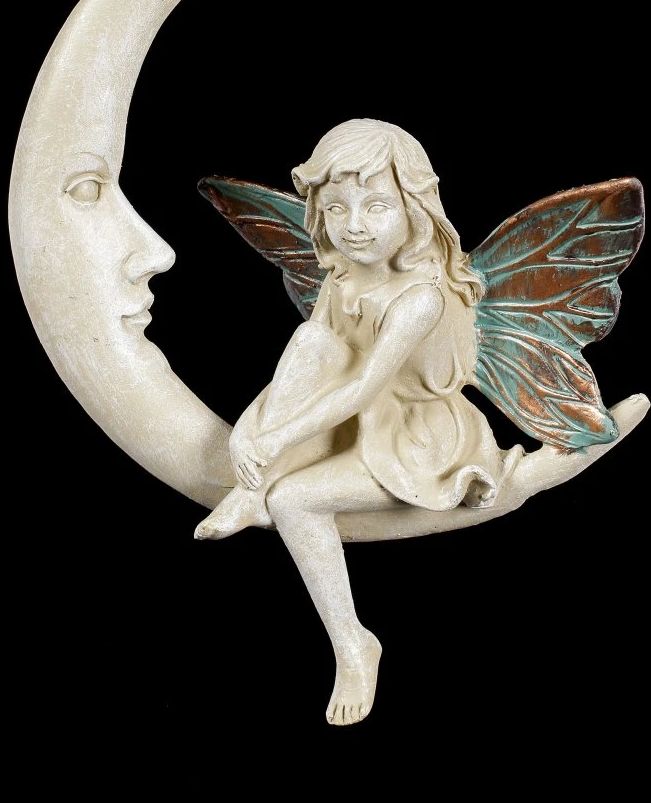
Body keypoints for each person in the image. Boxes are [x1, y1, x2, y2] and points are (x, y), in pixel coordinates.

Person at [195, 119, 523, 725]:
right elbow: (303, 370)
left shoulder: (420, 298)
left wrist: (273, 439)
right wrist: (248, 431)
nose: (354, 226)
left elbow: (361, 389)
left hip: (416, 436)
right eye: (336, 208)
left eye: (376, 206)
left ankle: (353, 644)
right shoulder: (342, 275)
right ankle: (252, 486)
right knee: (311, 339)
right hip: (347, 419)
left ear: (415, 211)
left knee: (294, 501)